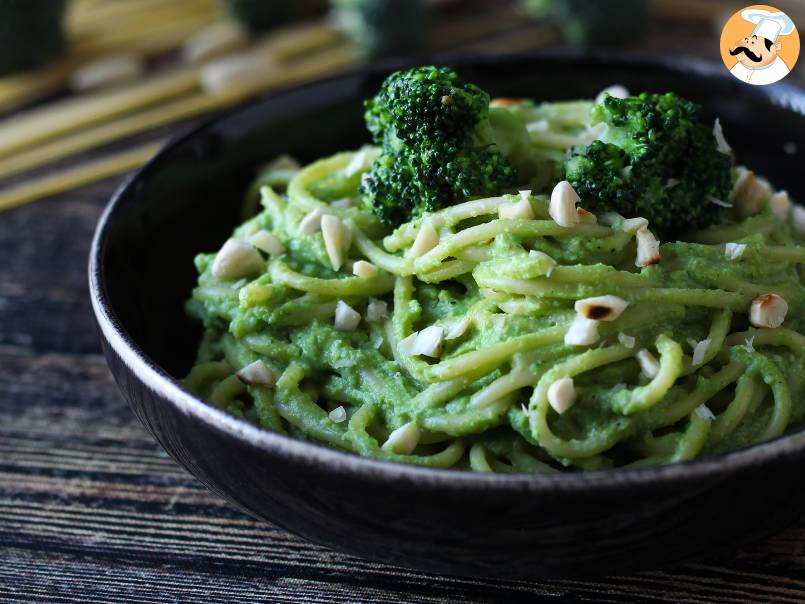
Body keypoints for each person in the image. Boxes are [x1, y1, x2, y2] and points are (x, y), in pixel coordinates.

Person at [728, 9, 796, 86]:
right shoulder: (738, 66)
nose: (745, 46)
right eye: (747, 40)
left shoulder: (778, 72)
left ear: (774, 48)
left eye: (753, 43)